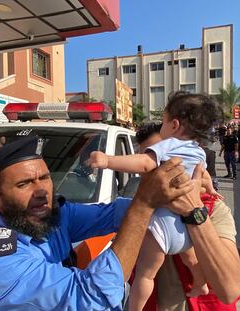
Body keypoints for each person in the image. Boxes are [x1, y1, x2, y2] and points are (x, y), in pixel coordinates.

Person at [0, 136, 202, 310]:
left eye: (44, 178)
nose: (41, 190)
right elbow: (91, 299)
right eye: (24, 184)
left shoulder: (52, 216)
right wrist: (145, 203)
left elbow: (114, 213)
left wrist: (170, 192)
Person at [88, 92, 231, 310]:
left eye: (163, 121)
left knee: (146, 275)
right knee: (192, 260)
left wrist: (108, 160)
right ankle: (200, 283)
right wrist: (211, 190)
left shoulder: (169, 144)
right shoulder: (199, 152)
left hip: (162, 226)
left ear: (174, 124)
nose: (161, 127)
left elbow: (145, 163)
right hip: (186, 229)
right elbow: (203, 175)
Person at [135, 120, 240, 311]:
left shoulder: (214, 210)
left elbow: (230, 291)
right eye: (147, 162)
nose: (155, 171)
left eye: (161, 160)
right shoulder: (139, 208)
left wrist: (193, 212)